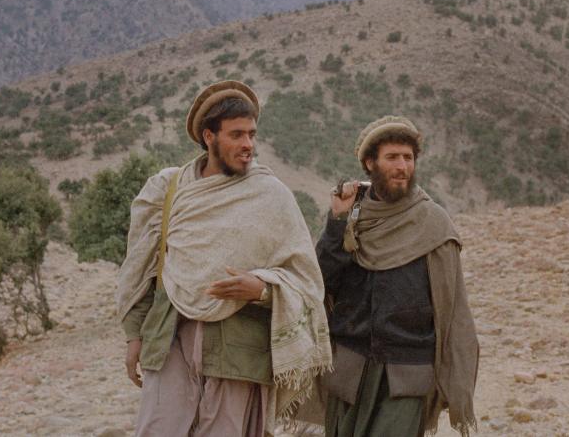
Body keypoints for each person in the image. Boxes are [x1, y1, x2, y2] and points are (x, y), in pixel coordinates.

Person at [116, 80, 332, 436]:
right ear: (208, 136)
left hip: (238, 353)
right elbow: (143, 270)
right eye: (236, 135)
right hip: (167, 340)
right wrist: (133, 337)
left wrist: (262, 290)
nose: (248, 145)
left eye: (251, 134)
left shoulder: (270, 195)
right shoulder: (170, 190)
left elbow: (307, 282)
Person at [315, 115, 478, 437]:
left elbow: (453, 309)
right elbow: (320, 282)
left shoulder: (433, 223)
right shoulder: (352, 219)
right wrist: (336, 222)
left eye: (408, 158)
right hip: (351, 368)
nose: (402, 166)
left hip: (407, 371)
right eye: (392, 157)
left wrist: (454, 378)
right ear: (369, 163)